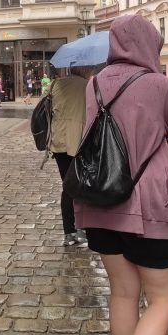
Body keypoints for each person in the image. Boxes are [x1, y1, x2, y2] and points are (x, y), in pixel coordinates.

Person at [74, 14, 168, 335]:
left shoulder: (94, 83)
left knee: (122, 293)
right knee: (163, 297)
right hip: (149, 202)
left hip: (102, 198)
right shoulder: (158, 84)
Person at [50, 66, 95, 246]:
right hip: (79, 142)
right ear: (84, 69)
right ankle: (81, 228)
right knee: (81, 185)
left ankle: (69, 231)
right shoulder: (87, 86)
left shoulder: (55, 84)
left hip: (59, 141)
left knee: (68, 186)